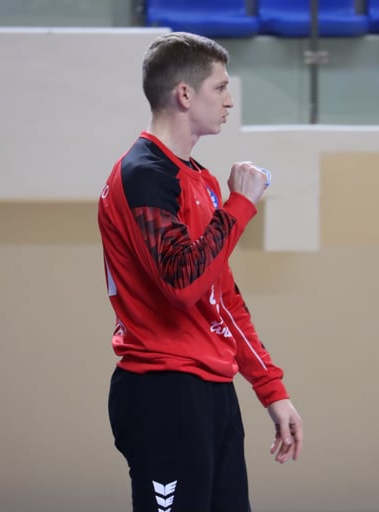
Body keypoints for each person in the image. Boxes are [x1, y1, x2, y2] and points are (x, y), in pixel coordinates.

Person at [97, 31, 303, 512]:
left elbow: (222, 300)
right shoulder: (145, 174)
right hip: (163, 390)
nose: (230, 101)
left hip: (212, 389)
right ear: (185, 94)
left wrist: (271, 389)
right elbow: (183, 284)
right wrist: (240, 206)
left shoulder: (200, 179)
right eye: (221, 87)